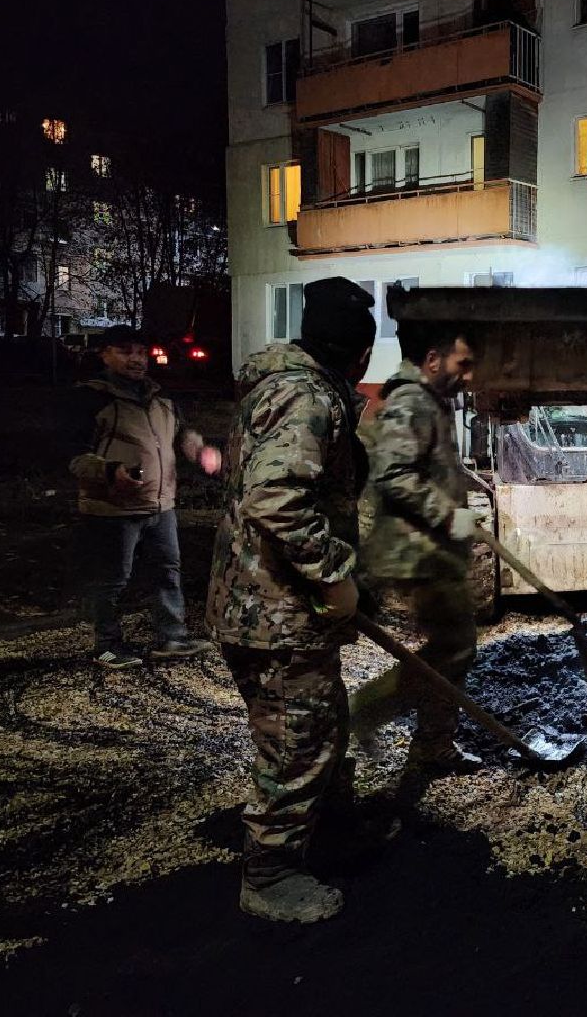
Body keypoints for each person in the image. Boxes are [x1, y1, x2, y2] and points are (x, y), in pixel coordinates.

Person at [206, 276, 375, 923]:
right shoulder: (304, 398)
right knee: (296, 740)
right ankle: (270, 875)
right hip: (270, 611)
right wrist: (334, 574)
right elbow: (276, 498)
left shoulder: (293, 387)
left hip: (279, 605)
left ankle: (331, 835)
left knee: (323, 721)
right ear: (360, 354)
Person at [355, 318, 481, 773]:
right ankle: (363, 713)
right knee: (454, 646)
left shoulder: (431, 401)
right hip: (415, 551)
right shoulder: (411, 401)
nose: (468, 375)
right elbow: (392, 474)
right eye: (462, 364)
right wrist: (448, 514)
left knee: (455, 645)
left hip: (431, 548)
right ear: (432, 359)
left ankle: (433, 745)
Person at [66, 324, 222, 669]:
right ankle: (106, 645)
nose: (136, 359)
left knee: (168, 570)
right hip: (111, 507)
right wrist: (110, 472)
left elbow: (183, 434)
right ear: (104, 354)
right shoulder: (91, 398)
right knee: (111, 579)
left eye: (141, 352)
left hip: (160, 504)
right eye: (125, 351)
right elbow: (74, 456)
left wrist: (199, 451)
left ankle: (172, 638)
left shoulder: (160, 397)